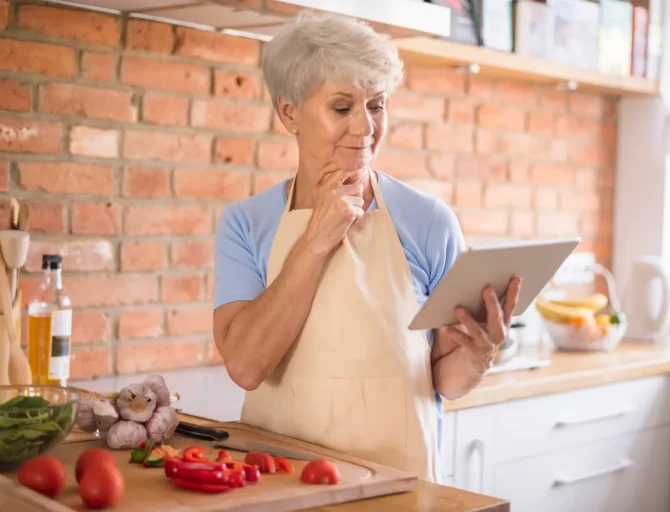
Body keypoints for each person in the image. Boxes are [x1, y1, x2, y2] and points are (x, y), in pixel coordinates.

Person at [212, 11, 522, 484]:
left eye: (376, 106)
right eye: (342, 108)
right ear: (289, 112)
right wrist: (317, 240)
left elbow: (443, 380)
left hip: (396, 486)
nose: (365, 127)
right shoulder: (246, 224)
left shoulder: (429, 221)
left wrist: (478, 355)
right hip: (278, 484)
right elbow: (246, 366)